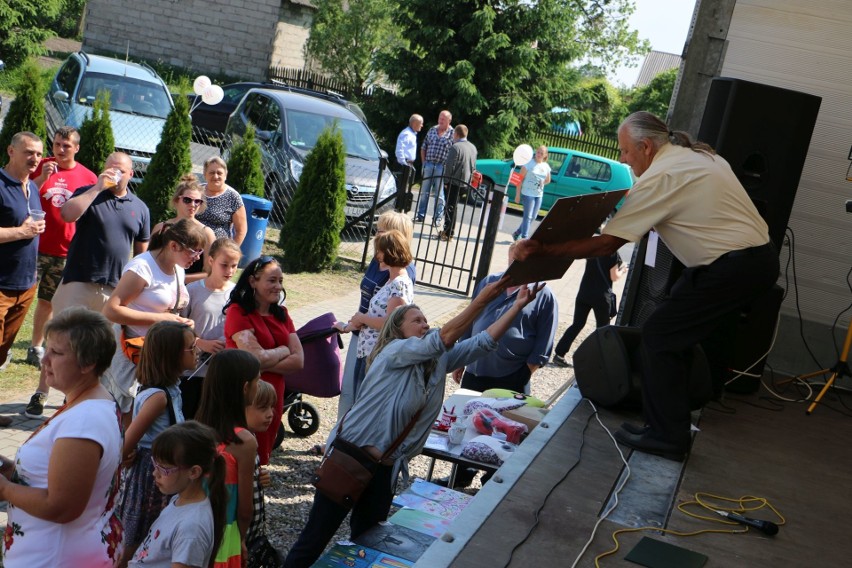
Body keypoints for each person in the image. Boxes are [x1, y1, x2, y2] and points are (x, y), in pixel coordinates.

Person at [514, 111, 779, 461]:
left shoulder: (662, 176)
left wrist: (542, 249)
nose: (623, 159)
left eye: (625, 151)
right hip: (752, 259)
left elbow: (606, 245)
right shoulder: (699, 155)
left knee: (659, 336)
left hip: (733, 266)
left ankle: (669, 436)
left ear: (646, 146)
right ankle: (671, 420)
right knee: (676, 326)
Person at [283, 279, 545, 567]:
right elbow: (444, 337)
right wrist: (482, 299)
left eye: (425, 319)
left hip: (384, 469)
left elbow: (483, 342)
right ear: (398, 330)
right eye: (416, 320)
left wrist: (517, 306)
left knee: (366, 546)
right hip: (351, 457)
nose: (424, 324)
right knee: (314, 540)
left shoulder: (436, 362)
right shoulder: (393, 352)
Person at [0, 307, 123, 567]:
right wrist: (11, 470)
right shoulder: (85, 404)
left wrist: (4, 488)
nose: (44, 360)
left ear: (88, 363)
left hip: (56, 557)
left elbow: (62, 506)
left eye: (56, 353)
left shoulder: (84, 421)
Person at [101, 219, 203, 419]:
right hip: (133, 355)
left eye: (200, 252)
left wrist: (179, 323)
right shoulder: (142, 268)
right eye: (193, 252)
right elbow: (111, 310)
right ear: (173, 246)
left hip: (158, 355)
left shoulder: (177, 267)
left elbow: (168, 310)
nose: (197, 258)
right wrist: (161, 319)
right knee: (127, 414)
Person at [116, 321, 197, 567]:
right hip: (151, 477)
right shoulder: (158, 397)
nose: (197, 351)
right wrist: (128, 454)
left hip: (165, 469)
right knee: (137, 534)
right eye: (191, 348)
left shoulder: (171, 388)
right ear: (171, 355)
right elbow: (127, 443)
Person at [24, 127, 97, 377]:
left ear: (76, 148)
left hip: (65, 251)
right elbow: (21, 195)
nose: (60, 150)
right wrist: (41, 178)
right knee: (18, 299)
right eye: (56, 144)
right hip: (33, 246)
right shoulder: (40, 166)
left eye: (66, 145)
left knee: (48, 301)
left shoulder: (88, 177)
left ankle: (36, 347)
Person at [335, 211, 417, 424]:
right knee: (350, 391)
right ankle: (338, 439)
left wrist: (361, 319)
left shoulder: (401, 278)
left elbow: (393, 321)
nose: (376, 235)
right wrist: (351, 324)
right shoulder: (379, 263)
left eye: (382, 231)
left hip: (376, 343)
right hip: (362, 335)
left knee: (363, 396)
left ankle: (346, 442)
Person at [224, 256, 304, 465]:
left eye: (280, 281)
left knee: (263, 457)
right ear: (253, 281)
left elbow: (299, 361)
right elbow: (256, 359)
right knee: (239, 459)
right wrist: (283, 349)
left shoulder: (282, 314)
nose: (278, 286)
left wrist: (265, 359)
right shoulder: (238, 312)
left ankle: (255, 494)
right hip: (246, 397)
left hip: (272, 397)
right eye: (272, 280)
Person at [51, 151, 150, 315]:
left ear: (131, 174)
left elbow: (141, 254)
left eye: (121, 171)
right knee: (64, 335)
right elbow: (67, 215)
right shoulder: (88, 193)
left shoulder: (140, 208)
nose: (115, 174)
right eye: (110, 169)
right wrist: (98, 187)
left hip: (113, 287)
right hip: (79, 280)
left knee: (102, 339)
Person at [129, 421, 228, 568]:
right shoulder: (178, 500)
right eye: (155, 464)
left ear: (194, 472)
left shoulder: (192, 528)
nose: (155, 473)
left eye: (164, 469)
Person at [196, 349, 261, 568]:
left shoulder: (194, 430)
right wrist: (240, 538)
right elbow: (245, 509)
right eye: (257, 382)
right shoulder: (244, 441)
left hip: (193, 529)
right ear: (245, 388)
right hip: (225, 536)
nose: (258, 386)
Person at [0, 132, 45, 386]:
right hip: (1, 283)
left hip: (25, 285)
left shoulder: (32, 187)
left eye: (38, 153)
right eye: (29, 152)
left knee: (2, 352)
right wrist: (22, 232)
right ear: (11, 151)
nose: (35, 158)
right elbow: (22, 229)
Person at [180, 237, 241, 420]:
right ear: (211, 261)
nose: (230, 271)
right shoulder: (192, 291)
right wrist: (200, 342)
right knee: (189, 419)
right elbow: (178, 327)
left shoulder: (238, 294)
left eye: (234, 265)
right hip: (193, 371)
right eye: (224, 265)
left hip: (222, 372)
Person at [552, 247, 627, 367]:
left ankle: (559, 354)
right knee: (603, 329)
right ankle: (600, 360)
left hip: (584, 292)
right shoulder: (612, 252)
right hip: (601, 297)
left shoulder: (593, 248)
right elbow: (614, 276)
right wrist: (623, 270)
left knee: (577, 324)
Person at [152, 174, 217, 284]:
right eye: (187, 200)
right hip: (157, 285)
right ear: (177, 200)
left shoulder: (206, 232)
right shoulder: (161, 228)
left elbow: (210, 272)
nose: (193, 205)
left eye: (197, 201)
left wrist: (176, 279)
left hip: (189, 289)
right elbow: (149, 260)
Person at [244, 380, 276, 554]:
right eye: (263, 408)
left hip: (251, 531)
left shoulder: (251, 435)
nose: (271, 414)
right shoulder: (242, 443)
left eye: (272, 407)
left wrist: (259, 476)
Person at [414, 110, 453, 226]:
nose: (440, 121)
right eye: (440, 118)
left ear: (449, 121)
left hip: (442, 166)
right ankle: (421, 215)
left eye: (443, 119)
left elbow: (453, 153)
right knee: (424, 191)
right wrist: (424, 162)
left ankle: (437, 219)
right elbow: (423, 146)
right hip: (429, 164)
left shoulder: (452, 133)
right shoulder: (432, 130)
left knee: (439, 194)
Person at [439, 124, 477, 242]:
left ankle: (448, 232)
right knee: (454, 207)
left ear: (456, 134)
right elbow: (473, 166)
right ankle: (449, 231)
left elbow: (449, 166)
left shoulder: (455, 147)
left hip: (454, 181)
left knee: (450, 207)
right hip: (465, 182)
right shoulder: (473, 147)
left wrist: (446, 181)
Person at [196, 156, 248, 244]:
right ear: (205, 174)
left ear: (225, 175)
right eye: (211, 173)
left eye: (219, 173)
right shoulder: (197, 191)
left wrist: (230, 253)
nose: (215, 176)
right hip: (192, 243)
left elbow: (241, 231)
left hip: (217, 249)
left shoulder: (233, 197)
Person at [512, 145, 552, 241]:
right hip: (527, 193)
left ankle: (517, 233)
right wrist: (517, 195)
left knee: (533, 217)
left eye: (542, 153)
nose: (539, 154)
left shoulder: (546, 166)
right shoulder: (528, 164)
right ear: (536, 152)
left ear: (545, 155)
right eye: (538, 152)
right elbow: (518, 179)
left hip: (538, 195)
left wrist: (543, 183)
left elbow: (548, 180)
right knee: (528, 216)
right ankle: (524, 239)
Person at [395, 114, 423, 194]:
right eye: (421, 123)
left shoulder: (412, 134)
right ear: (414, 123)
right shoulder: (406, 134)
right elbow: (399, 150)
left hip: (408, 164)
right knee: (400, 188)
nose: (422, 125)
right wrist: (404, 164)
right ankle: (397, 205)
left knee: (403, 189)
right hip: (404, 164)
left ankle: (400, 205)